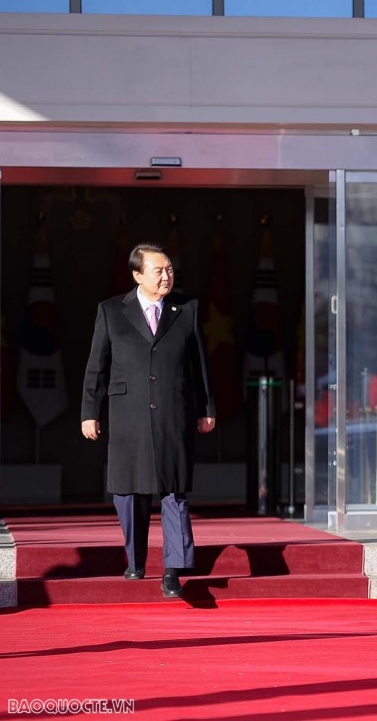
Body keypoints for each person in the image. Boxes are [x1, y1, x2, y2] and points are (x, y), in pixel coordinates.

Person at [81, 244, 216, 599]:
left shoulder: (186, 309)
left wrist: (206, 408)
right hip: (129, 413)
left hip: (174, 410)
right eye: (158, 270)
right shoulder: (111, 311)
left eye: (169, 269)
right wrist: (89, 413)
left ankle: (174, 569)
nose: (166, 276)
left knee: (174, 490)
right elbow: (97, 366)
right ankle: (135, 559)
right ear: (138, 274)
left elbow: (199, 365)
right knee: (129, 491)